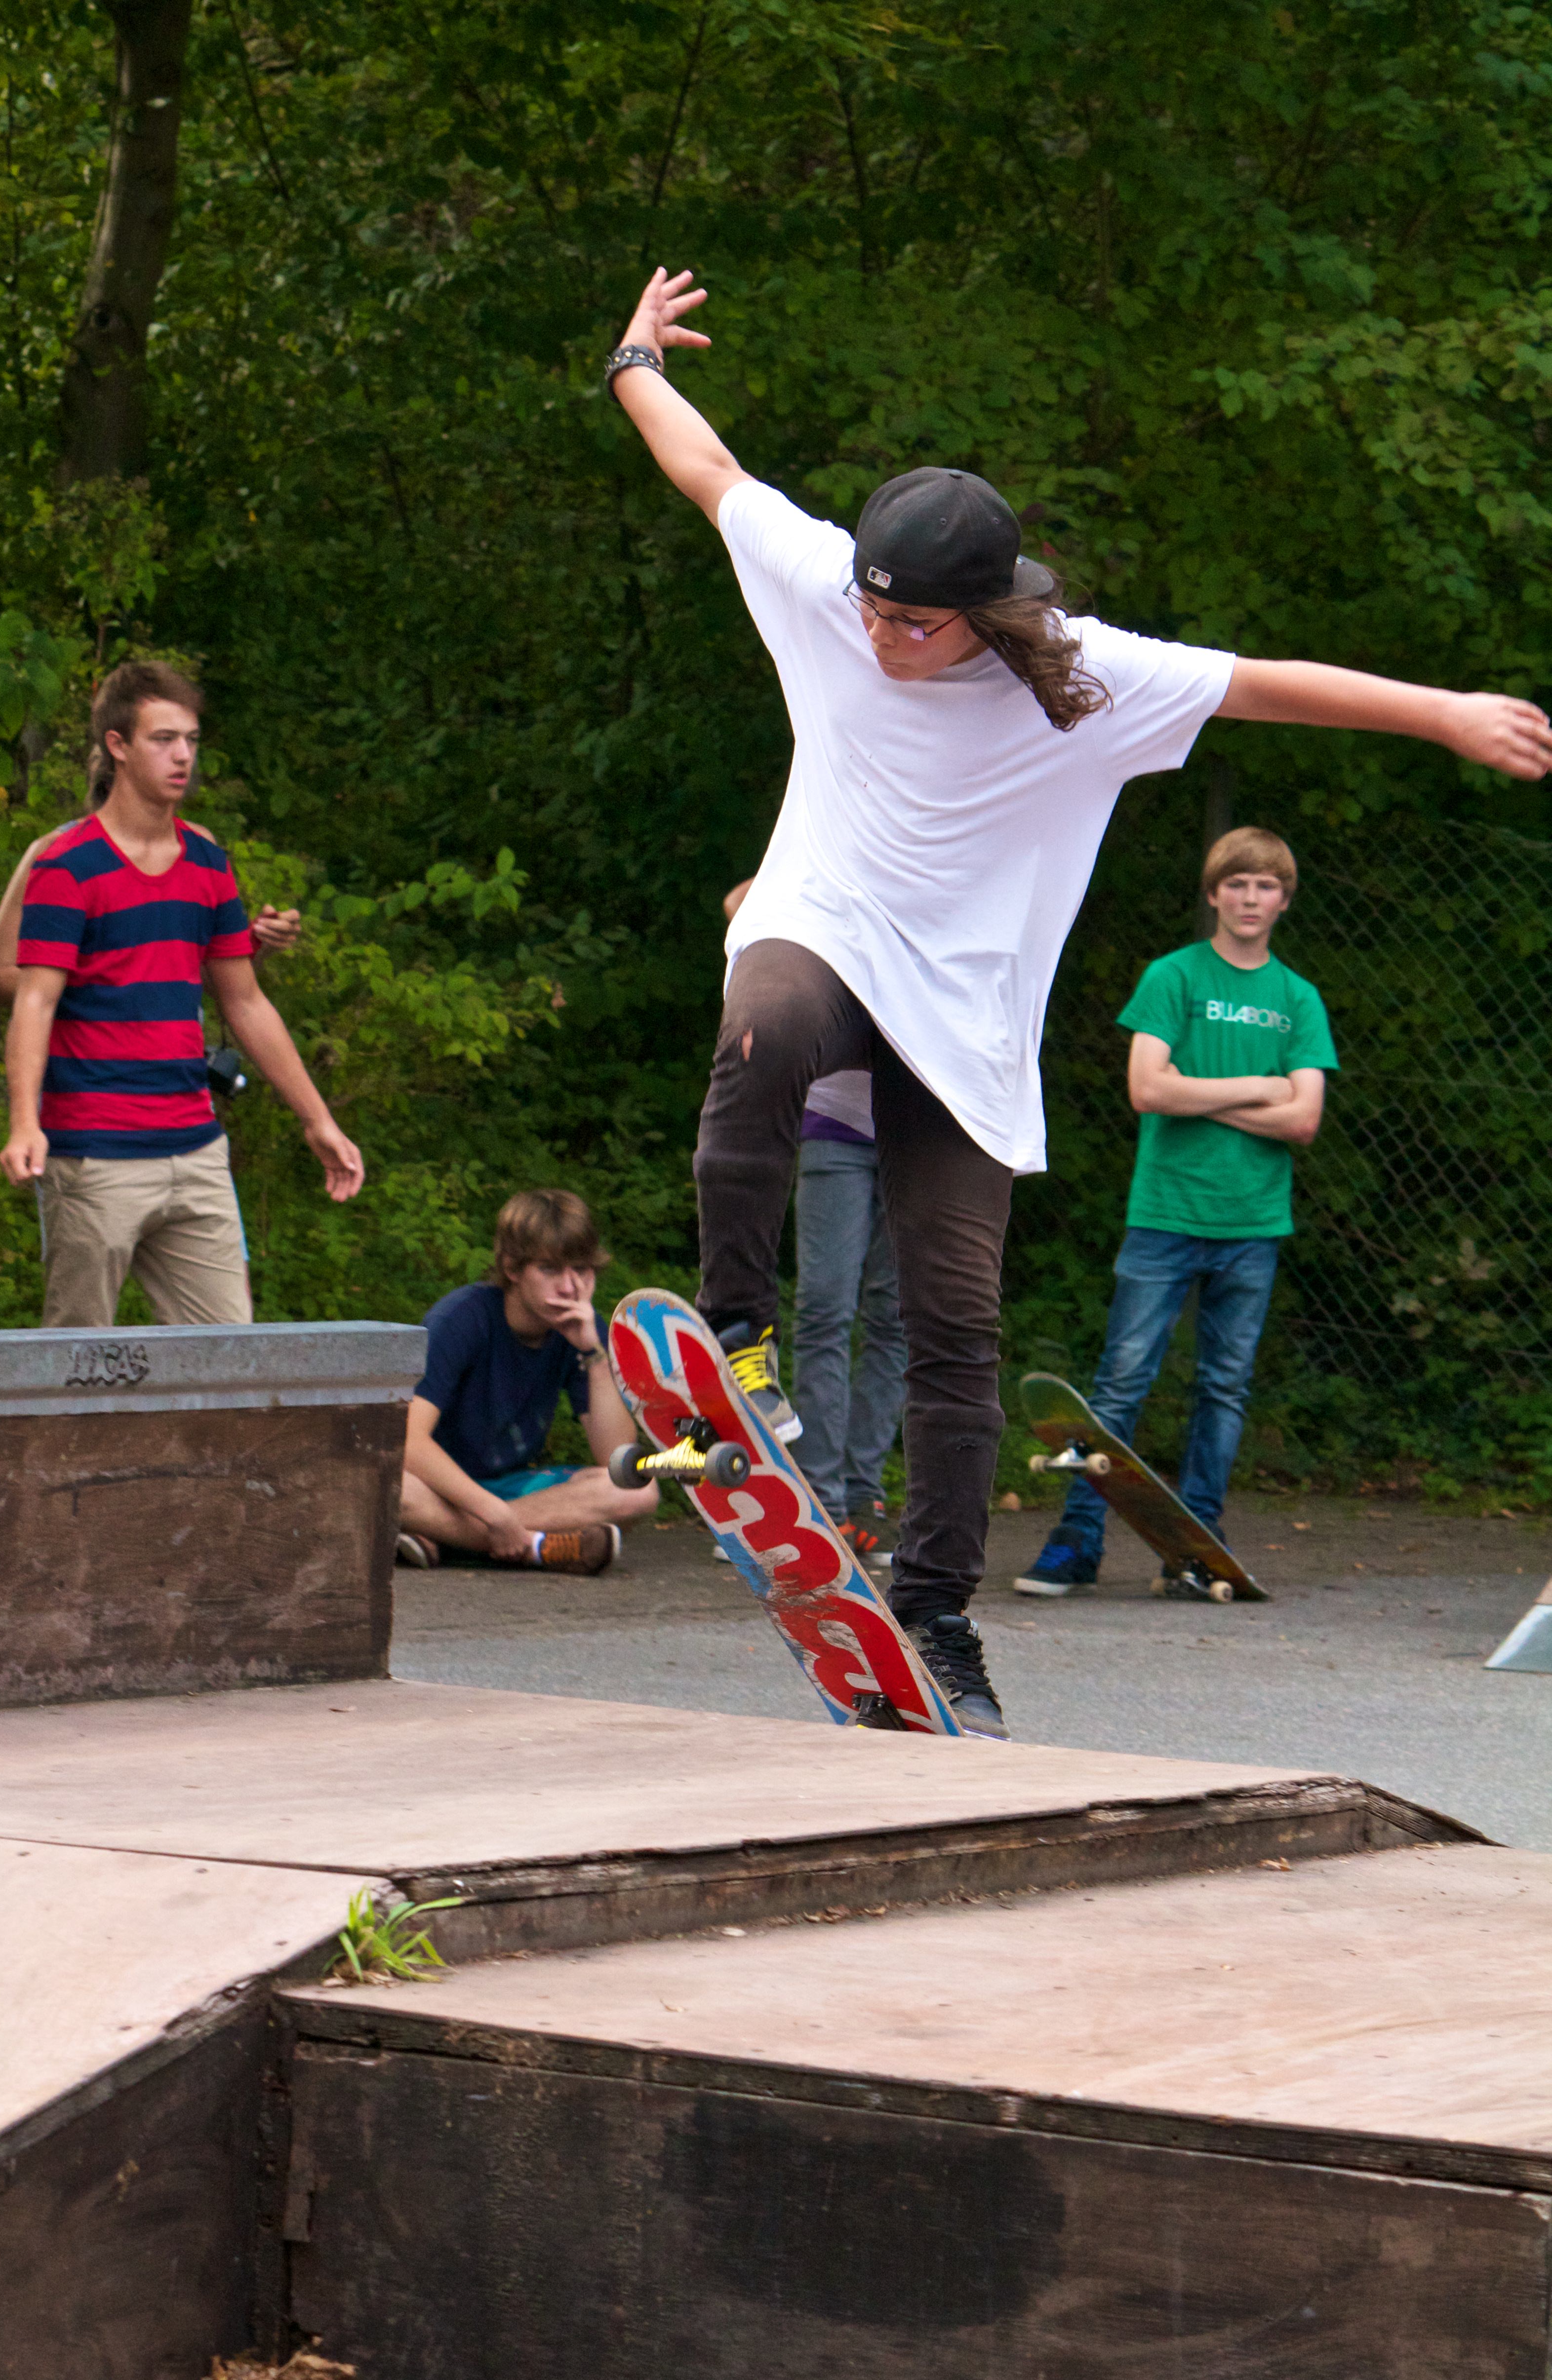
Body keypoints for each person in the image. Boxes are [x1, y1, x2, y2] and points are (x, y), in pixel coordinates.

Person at [605, 264, 1552, 1739]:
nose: (882, 639)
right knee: (761, 1023)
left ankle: (935, 1610)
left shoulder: (1092, 678)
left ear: (985, 614)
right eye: (873, 610)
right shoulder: (827, 586)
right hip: (825, 931)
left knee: (956, 1326)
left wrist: (1442, 713)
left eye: (917, 624)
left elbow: (1265, 685)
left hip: (965, 1022)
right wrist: (634, 358)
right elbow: (706, 467)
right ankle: (737, 1347)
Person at [0, 660, 363, 1327]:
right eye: (163, 739)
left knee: (230, 1360)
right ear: (117, 746)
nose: (183, 756)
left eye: (191, 740)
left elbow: (245, 1002)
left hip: (195, 1149)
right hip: (93, 1153)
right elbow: (33, 1002)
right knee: (77, 1362)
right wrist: (25, 1122)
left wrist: (317, 1118)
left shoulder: (206, 861)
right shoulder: (66, 865)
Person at [1020, 828, 1335, 1597]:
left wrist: (1196, 1094)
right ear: (1212, 893)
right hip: (1163, 1213)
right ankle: (1075, 1543)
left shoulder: (1296, 998)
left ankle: (1196, 1549)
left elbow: (1302, 1120)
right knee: (1120, 1384)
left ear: (1283, 900)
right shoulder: (1172, 977)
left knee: (1222, 1390)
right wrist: (1258, 1088)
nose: (1249, 898)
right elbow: (1146, 1089)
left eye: (1265, 885)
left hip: (1252, 1224)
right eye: (1236, 884)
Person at [725, 874, 905, 1568]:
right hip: (835, 1123)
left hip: (917, 1127)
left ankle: (864, 1497)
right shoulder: (835, 866)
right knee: (826, 1309)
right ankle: (821, 1500)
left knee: (894, 1318)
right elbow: (740, 904)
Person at [397, 1187, 658, 1576]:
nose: (568, 1287)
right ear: (512, 1268)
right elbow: (407, 1441)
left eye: (580, 1269)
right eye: (550, 1269)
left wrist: (595, 1356)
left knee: (638, 1487)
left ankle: (446, 1537)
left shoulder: (581, 1328)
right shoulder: (462, 1318)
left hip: (508, 1487)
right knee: (385, 1485)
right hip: (433, 1485)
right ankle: (536, 1546)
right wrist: (492, 1514)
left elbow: (616, 1458)